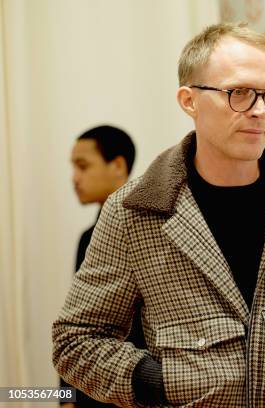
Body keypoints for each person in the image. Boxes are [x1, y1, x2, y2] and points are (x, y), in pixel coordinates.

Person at [52, 23, 265, 408]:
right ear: (189, 101)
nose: (259, 111)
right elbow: (76, 338)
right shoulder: (135, 211)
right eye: (239, 93)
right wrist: (156, 381)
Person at [61, 125, 142, 408]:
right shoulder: (88, 237)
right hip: (90, 390)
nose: (75, 178)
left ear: (117, 165)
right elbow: (77, 325)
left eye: (83, 166)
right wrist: (65, 398)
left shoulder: (147, 233)